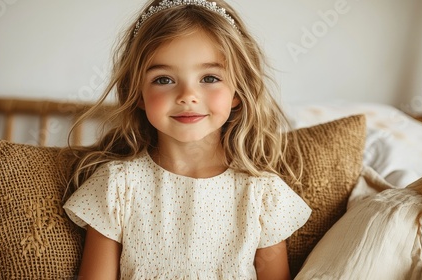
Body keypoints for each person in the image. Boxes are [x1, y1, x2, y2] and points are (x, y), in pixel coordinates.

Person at [63, 0, 311, 279]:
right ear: (137, 92)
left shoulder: (262, 194)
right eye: (164, 80)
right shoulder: (117, 186)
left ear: (238, 91)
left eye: (209, 77)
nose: (187, 95)